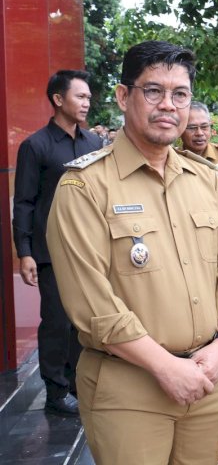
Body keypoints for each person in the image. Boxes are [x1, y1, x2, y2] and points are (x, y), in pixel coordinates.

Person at [46, 41, 218, 463]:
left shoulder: (205, 180)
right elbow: (91, 302)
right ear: (124, 97)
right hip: (130, 388)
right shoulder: (85, 188)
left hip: (205, 379)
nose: (168, 106)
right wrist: (165, 367)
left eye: (180, 94)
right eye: (153, 91)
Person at [12, 69, 102, 417]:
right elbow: (24, 202)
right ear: (58, 99)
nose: (86, 103)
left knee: (85, 320)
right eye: (80, 97)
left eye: (89, 98)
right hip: (50, 251)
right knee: (57, 322)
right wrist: (25, 253)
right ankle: (55, 390)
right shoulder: (35, 146)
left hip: (90, 247)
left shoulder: (94, 144)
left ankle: (80, 384)